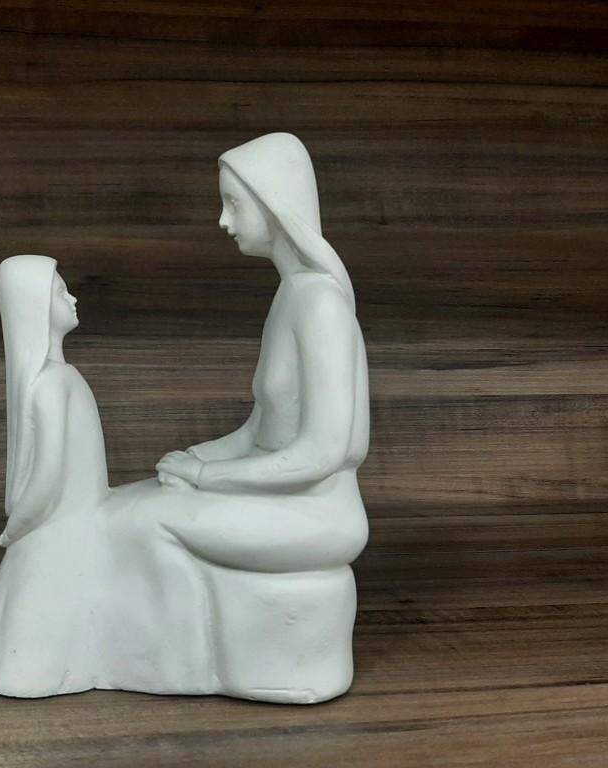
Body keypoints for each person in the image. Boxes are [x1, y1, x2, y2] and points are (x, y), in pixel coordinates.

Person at [103, 133, 370, 703]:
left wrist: (208, 477)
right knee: (123, 500)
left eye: (234, 203)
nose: (223, 220)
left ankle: (178, 664)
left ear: (275, 206)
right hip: (282, 494)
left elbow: (322, 452)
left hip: (318, 510)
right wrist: (198, 456)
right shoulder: (292, 294)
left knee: (146, 520)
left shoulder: (320, 305)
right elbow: (261, 429)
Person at [0, 254, 109, 698]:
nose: (73, 297)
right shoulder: (53, 383)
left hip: (61, 523)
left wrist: (17, 528)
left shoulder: (57, 381)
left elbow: (47, 478)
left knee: (29, 601)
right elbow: (48, 475)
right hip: (59, 523)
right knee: (30, 603)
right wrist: (23, 525)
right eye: (61, 292)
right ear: (36, 307)